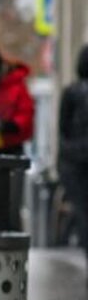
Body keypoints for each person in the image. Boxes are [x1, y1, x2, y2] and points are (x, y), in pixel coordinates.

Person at [57, 45, 88, 265]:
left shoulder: (71, 92)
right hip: (77, 161)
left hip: (73, 163)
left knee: (83, 212)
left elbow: (63, 128)